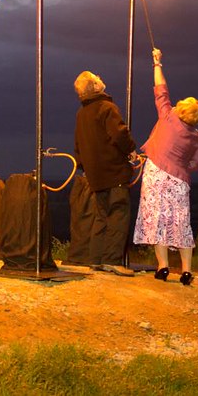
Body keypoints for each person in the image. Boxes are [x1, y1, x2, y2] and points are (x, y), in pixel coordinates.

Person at [132, 48, 198, 286]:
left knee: (157, 219)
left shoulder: (169, 117)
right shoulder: (197, 136)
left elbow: (160, 91)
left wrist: (157, 63)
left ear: (181, 110)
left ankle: (163, 267)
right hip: (179, 181)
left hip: (156, 174)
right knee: (180, 222)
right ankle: (186, 271)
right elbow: (194, 164)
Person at [73, 70, 137, 277]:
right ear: (96, 86)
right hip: (114, 171)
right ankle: (112, 260)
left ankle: (96, 260)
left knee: (100, 216)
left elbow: (78, 146)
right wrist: (131, 150)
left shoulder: (81, 114)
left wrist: (87, 168)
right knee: (119, 213)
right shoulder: (107, 108)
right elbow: (119, 133)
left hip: (95, 175)